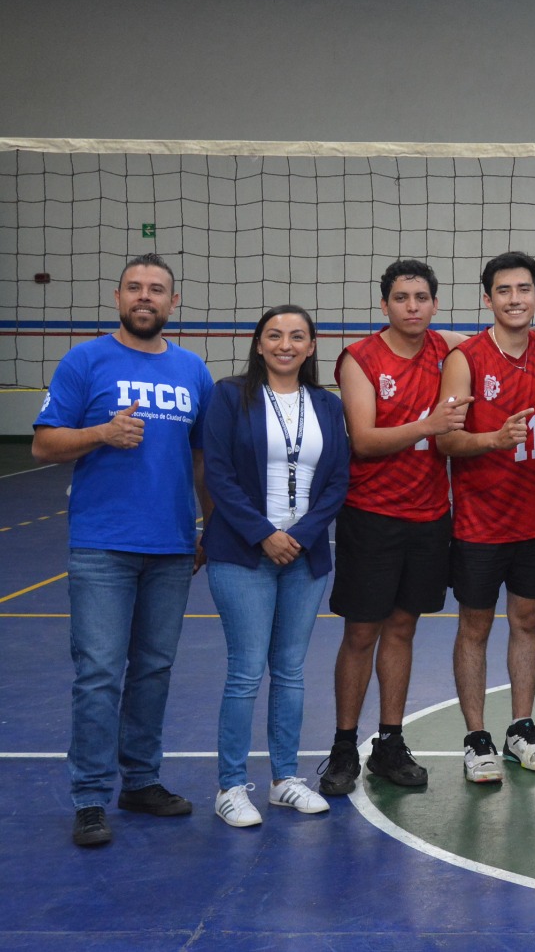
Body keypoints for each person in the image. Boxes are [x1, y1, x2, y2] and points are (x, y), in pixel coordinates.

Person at [33, 252, 214, 848]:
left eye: (156, 289)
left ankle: (140, 780)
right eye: (134, 288)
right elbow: (45, 445)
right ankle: (90, 796)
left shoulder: (193, 370)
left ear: (173, 302)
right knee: (100, 673)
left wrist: (206, 526)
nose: (145, 297)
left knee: (155, 671)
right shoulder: (84, 360)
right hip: (103, 545)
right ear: (117, 298)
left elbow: (202, 458)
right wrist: (102, 434)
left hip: (169, 547)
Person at [318, 260, 469, 796]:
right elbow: (363, 439)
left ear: (434, 304)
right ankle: (341, 747)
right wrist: (428, 426)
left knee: (403, 629)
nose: (411, 306)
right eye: (401, 298)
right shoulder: (360, 358)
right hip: (372, 515)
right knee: (361, 633)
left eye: (421, 298)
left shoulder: (446, 350)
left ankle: (388, 743)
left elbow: (491, 336)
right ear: (384, 305)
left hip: (430, 516)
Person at [202, 305, 350, 827]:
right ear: (259, 344)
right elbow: (216, 472)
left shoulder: (327, 406)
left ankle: (285, 779)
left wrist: (300, 536)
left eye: (297, 336)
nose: (285, 344)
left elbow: (337, 481)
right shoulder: (228, 394)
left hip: (305, 557)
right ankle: (229, 787)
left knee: (289, 671)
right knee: (245, 672)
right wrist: (265, 534)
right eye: (274, 335)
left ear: (311, 347)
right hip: (243, 551)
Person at [435, 251, 535, 783]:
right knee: (475, 626)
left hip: (534, 518)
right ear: (488, 298)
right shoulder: (466, 358)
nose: (515, 299)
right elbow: (444, 437)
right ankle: (476, 736)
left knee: (528, 622)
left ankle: (522, 726)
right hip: (479, 521)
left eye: (524, 289)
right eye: (504, 290)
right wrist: (494, 438)